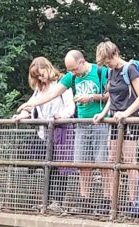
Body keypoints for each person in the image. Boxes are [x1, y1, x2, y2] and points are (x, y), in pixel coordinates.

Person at [17, 50, 110, 214]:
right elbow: (52, 95)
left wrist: (92, 97)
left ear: (82, 62)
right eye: (70, 70)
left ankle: (107, 202)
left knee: (102, 164)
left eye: (74, 69)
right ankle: (84, 202)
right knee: (81, 165)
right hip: (79, 125)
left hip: (98, 122)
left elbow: (112, 95)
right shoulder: (69, 78)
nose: (72, 73)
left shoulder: (100, 71)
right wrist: (27, 106)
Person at [12, 57, 75, 212]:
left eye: (42, 74)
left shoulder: (62, 83)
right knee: (46, 167)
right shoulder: (39, 89)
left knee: (60, 168)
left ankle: (57, 202)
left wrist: (60, 117)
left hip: (61, 132)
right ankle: (46, 202)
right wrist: (21, 115)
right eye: (37, 76)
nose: (41, 78)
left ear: (48, 67)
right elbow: (32, 107)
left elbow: (70, 107)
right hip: (44, 134)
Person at [93, 40, 139, 207]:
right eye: (104, 63)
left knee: (130, 160)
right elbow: (112, 97)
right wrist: (102, 114)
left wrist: (125, 113)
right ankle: (112, 200)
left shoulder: (130, 69)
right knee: (112, 159)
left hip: (130, 120)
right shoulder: (111, 72)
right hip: (114, 121)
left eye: (108, 61)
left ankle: (134, 202)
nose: (107, 65)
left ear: (115, 54)